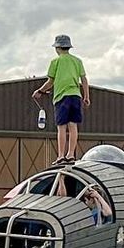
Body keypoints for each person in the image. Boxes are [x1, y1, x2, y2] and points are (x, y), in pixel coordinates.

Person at [32, 34, 89, 165]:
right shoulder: (77, 61)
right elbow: (84, 79)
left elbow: (50, 81)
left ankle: (61, 155)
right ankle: (71, 155)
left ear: (57, 48)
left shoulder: (55, 62)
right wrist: (86, 96)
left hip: (61, 97)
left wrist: (40, 91)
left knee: (62, 127)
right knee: (73, 126)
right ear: (69, 47)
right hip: (75, 95)